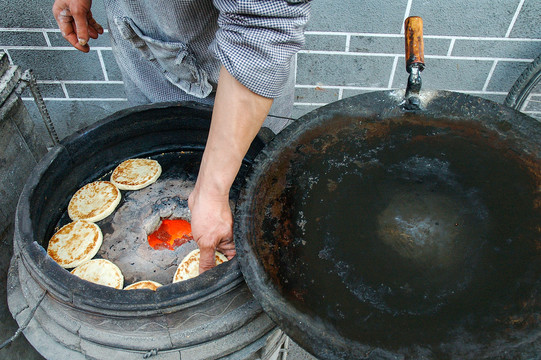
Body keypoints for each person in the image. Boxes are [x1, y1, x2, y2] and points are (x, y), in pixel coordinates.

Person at [52, 0, 311, 274]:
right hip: (144, 47)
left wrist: (211, 193)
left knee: (263, 218)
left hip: (232, 82)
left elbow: (264, 26)